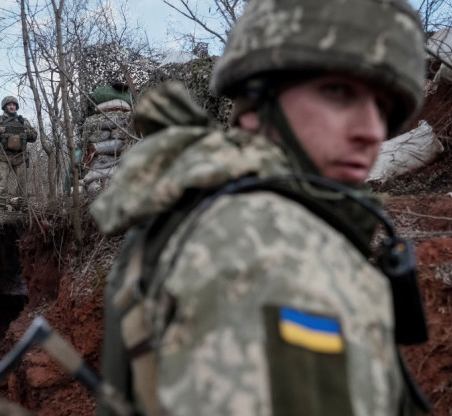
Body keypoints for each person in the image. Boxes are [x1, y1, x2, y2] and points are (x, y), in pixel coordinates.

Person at [90, 0, 431, 414]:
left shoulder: (232, 211)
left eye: (383, 108)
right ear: (255, 102)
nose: (371, 130)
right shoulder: (261, 238)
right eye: (339, 93)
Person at [0, 96, 37, 211]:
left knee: (23, 183)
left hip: (20, 157)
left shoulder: (23, 121)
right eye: (9, 104)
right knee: (1, 182)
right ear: (4, 107)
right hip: (3, 157)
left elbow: (34, 136)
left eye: (14, 105)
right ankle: (1, 206)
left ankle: (23, 206)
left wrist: (27, 132)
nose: (12, 106)